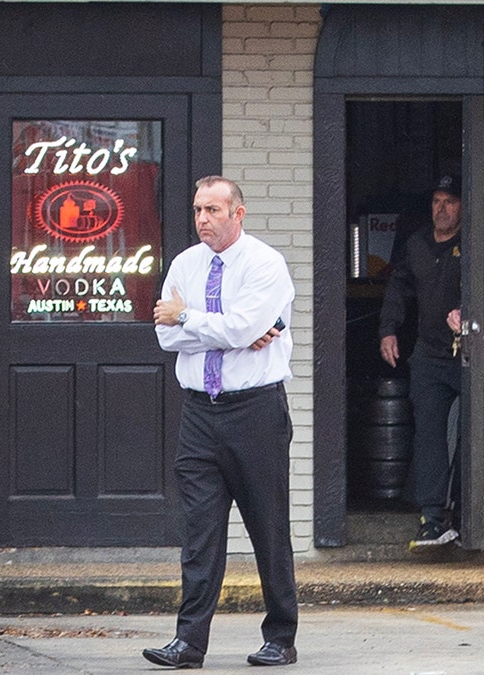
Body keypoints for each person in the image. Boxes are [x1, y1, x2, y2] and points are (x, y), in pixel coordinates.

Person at [144, 176, 298, 669]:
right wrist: (220, 329)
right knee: (199, 532)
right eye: (197, 210)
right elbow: (166, 338)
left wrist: (189, 318)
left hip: (254, 411)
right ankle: (189, 643)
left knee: (267, 527)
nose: (203, 219)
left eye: (213, 209)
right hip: (199, 413)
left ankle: (281, 637)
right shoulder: (186, 265)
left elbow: (242, 327)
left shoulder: (265, 264)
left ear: (239, 213)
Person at [378, 174, 463, 550]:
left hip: (469, 352)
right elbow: (398, 287)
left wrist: (469, 310)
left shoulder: (475, 243)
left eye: (450, 201)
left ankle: (469, 512)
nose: (441, 209)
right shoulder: (416, 245)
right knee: (429, 434)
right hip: (429, 354)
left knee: (475, 432)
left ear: (464, 205)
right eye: (436, 201)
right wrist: (388, 330)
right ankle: (432, 518)